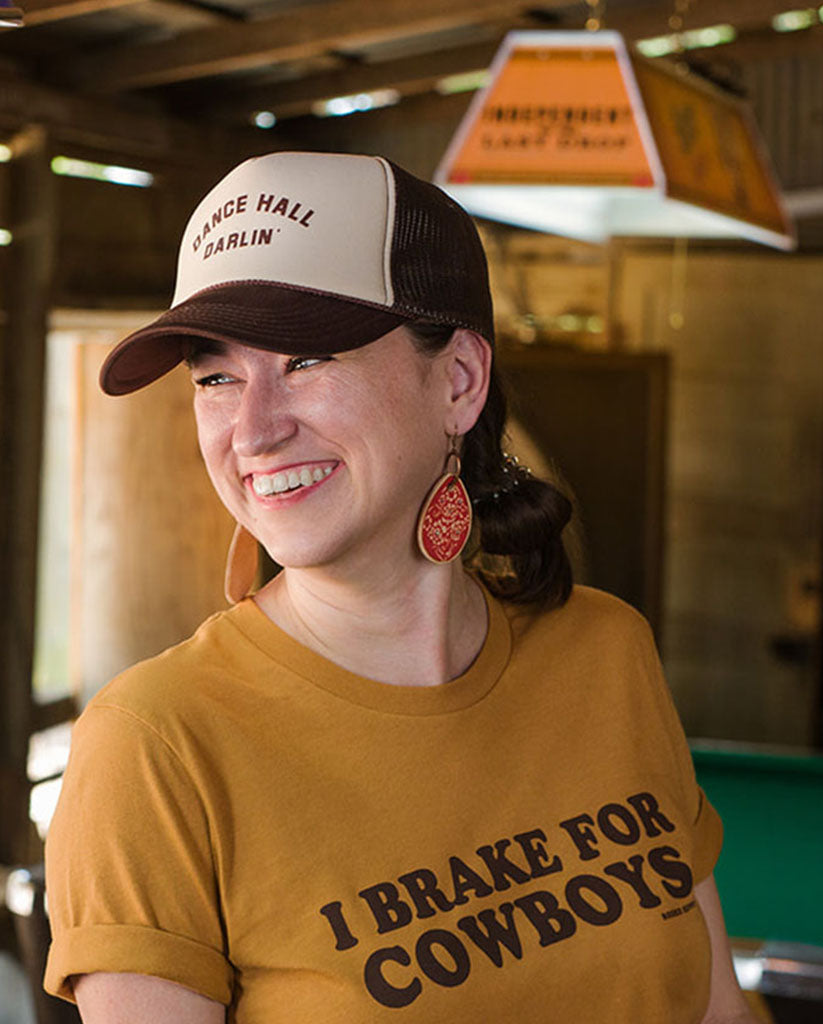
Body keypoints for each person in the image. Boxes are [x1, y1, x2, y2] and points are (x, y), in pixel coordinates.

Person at [42, 151, 758, 1024]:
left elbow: (720, 1008)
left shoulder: (606, 649)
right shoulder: (154, 747)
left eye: (307, 360)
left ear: (457, 380)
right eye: (216, 377)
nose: (255, 431)